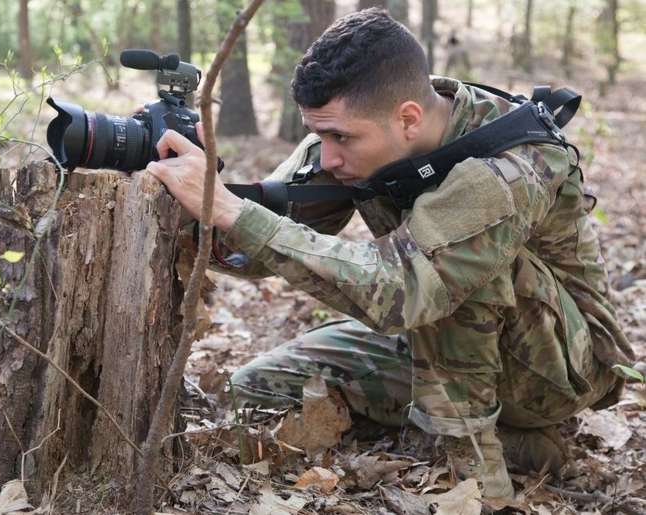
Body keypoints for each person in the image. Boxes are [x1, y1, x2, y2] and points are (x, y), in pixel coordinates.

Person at [144, 8, 633, 498]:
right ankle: (517, 444)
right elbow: (257, 247)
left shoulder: (510, 164)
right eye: (319, 136)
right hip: (432, 335)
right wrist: (193, 200)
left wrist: (234, 211)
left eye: (341, 138)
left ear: (408, 119)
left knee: (446, 275)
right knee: (256, 388)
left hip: (559, 369)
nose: (329, 156)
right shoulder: (355, 136)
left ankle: (480, 485)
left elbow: (406, 288)